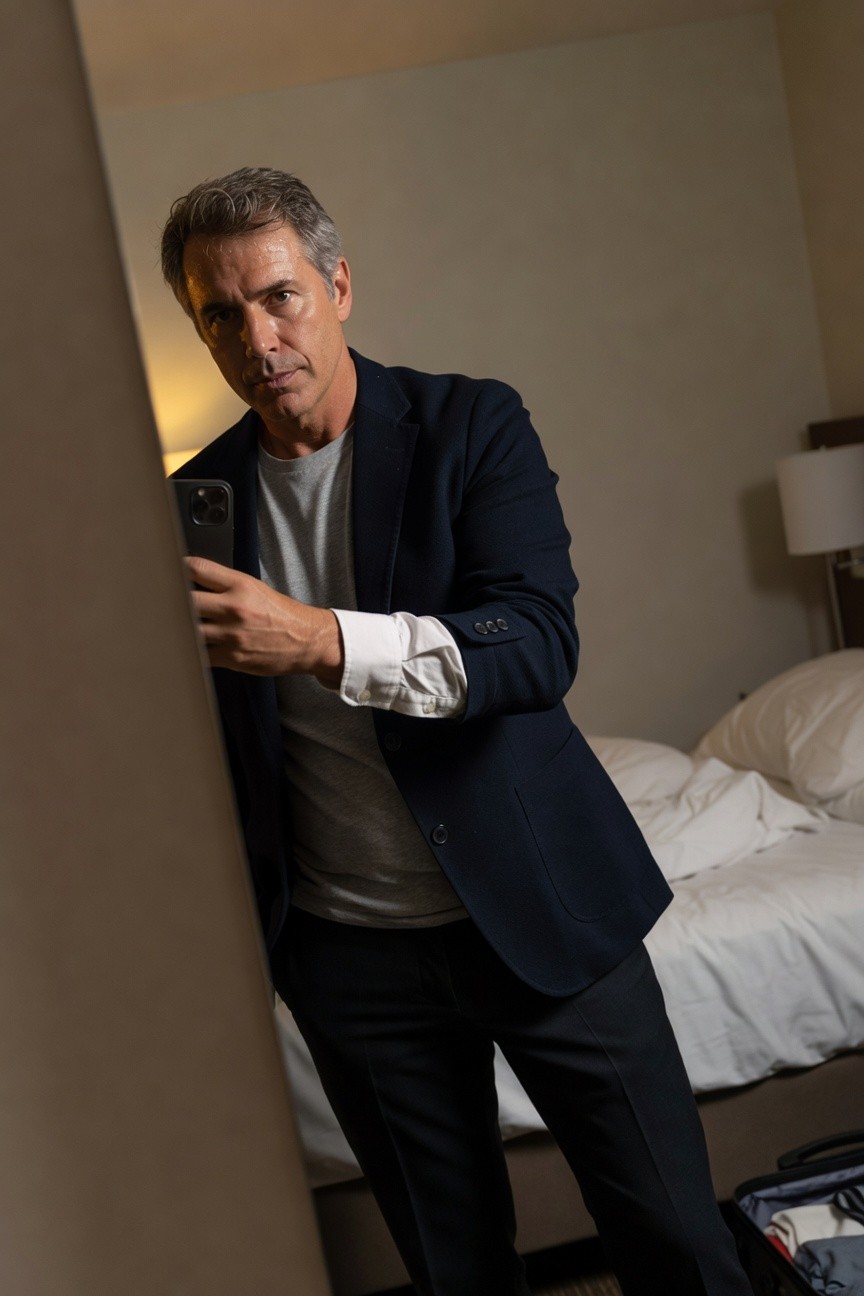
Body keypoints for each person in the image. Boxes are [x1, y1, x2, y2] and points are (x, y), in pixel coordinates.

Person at [163, 167, 752, 1296]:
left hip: (544, 916)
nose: (257, 334)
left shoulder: (470, 422)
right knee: (453, 1273)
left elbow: (535, 643)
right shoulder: (197, 505)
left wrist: (323, 640)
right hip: (352, 962)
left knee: (679, 1247)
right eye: (219, 314)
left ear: (338, 285)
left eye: (279, 295)